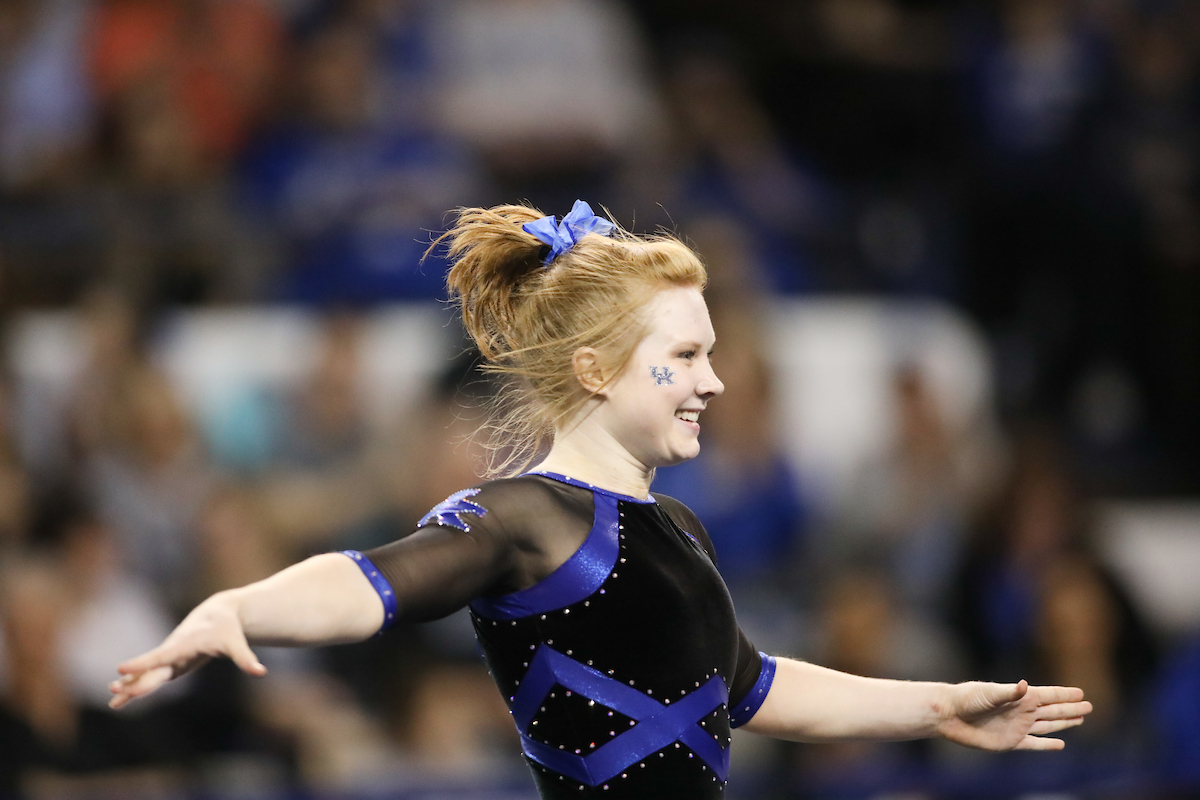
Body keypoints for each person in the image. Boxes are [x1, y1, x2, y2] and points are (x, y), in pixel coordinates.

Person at [109, 200, 1092, 798]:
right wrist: (242, 604)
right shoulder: (525, 517)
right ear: (595, 368)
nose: (713, 380)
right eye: (685, 357)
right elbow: (368, 581)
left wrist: (941, 705)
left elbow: (747, 686)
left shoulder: (679, 527)